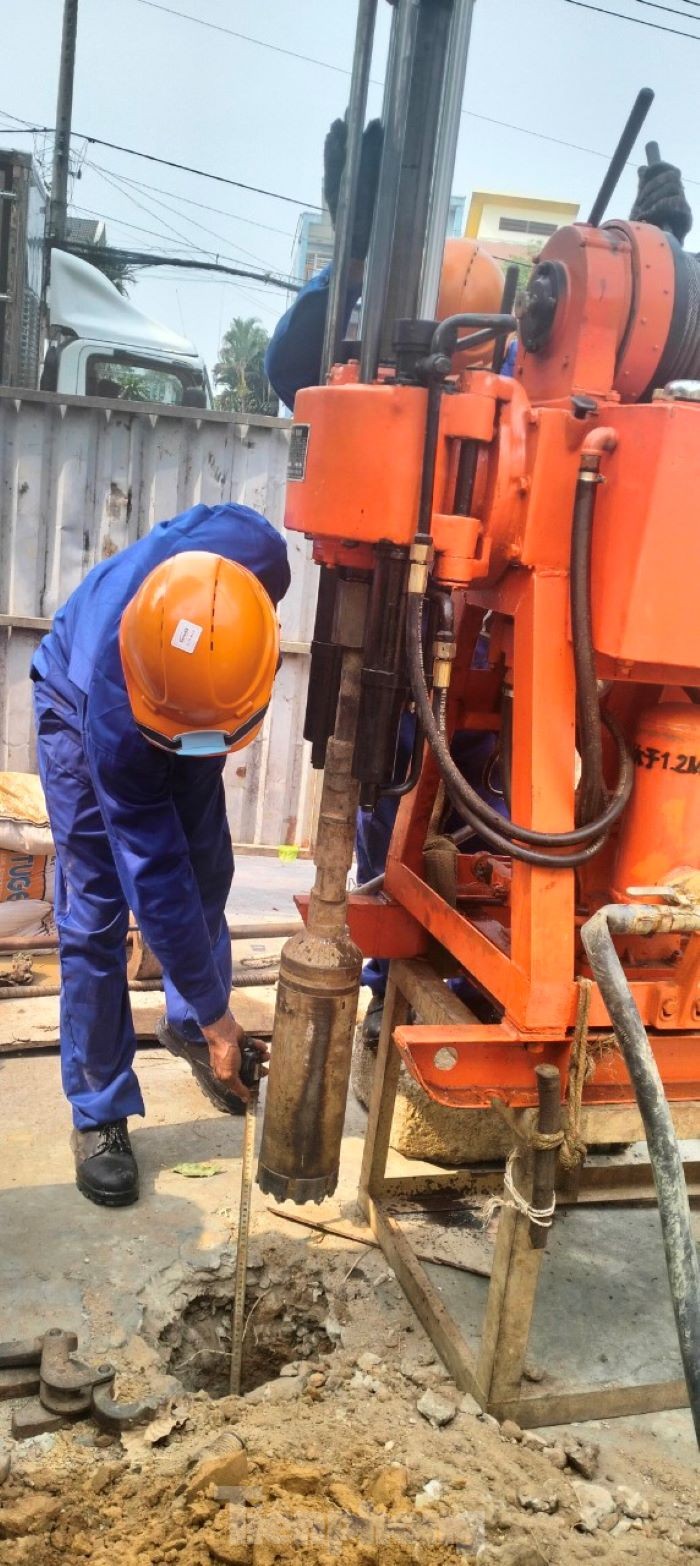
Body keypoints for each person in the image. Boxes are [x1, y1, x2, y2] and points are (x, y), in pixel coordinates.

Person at [31, 501, 290, 1209]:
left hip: (192, 700)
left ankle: (189, 1024)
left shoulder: (254, 554)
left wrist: (205, 1012)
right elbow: (154, 872)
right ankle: (99, 1108)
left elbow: (185, 874)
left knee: (209, 864)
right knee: (97, 915)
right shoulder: (115, 728)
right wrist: (223, 1010)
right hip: (80, 699)